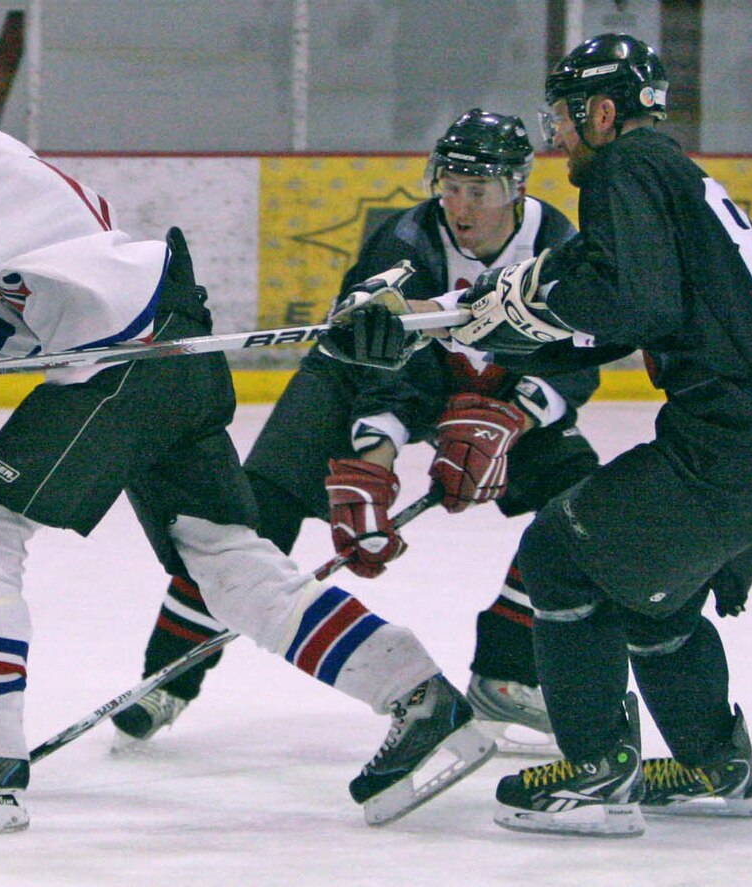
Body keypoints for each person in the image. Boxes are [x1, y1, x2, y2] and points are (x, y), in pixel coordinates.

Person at [0, 26, 492, 833]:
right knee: (229, 563)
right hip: (163, 359)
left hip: (129, 365)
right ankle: (419, 695)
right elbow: (16, 292)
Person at [328, 34, 752, 837]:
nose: (558, 139)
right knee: (652, 592)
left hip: (737, 432)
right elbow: (628, 312)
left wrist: (522, 301)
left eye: (565, 119)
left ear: (602, 112)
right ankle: (717, 762)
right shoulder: (670, 174)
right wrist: (497, 322)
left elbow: (629, 301)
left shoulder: (626, 167)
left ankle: (594, 772)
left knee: (560, 555)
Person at [113, 110, 597, 755]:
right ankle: (167, 679)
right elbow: (376, 366)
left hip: (494, 396)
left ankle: (507, 673)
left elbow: (577, 357)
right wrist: (375, 458)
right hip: (360, 380)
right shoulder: (403, 242)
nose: (457, 205)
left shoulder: (560, 248)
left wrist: (516, 417)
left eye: (475, 190)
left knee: (581, 503)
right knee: (253, 517)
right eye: (448, 186)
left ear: (515, 188)